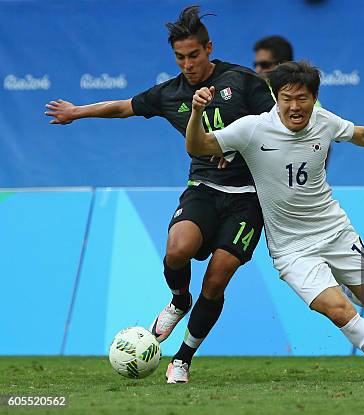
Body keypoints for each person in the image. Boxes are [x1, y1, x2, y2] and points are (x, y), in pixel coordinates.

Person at [44, 5, 275, 383]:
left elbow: (274, 125)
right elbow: (122, 107)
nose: (188, 64)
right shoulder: (170, 93)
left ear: (209, 49)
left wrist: (239, 148)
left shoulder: (243, 81)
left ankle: (182, 359)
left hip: (248, 196)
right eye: (180, 58)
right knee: (177, 250)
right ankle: (179, 300)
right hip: (203, 187)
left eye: (194, 56)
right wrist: (76, 111)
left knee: (216, 278)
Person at [184, 61, 364, 382]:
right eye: (287, 98)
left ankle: (335, 283)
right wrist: (197, 114)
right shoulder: (252, 128)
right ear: (275, 98)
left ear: (314, 98)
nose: (295, 107)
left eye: (302, 98)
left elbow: (363, 135)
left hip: (336, 231)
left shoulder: (324, 122)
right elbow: (198, 146)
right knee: (340, 311)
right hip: (292, 249)